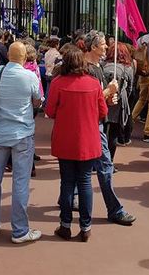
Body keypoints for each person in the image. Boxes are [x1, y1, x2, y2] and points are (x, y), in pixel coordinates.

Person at [45, 46, 107, 242]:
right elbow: (103, 112)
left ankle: (65, 225)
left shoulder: (57, 83)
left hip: (65, 138)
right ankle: (86, 227)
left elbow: (50, 110)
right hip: (88, 138)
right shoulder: (94, 83)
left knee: (67, 182)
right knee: (85, 181)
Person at [0, 42, 42, 243]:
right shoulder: (30, 76)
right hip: (22, 134)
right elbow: (38, 100)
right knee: (20, 182)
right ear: (25, 57)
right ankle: (20, 230)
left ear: (8, 55)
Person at [83, 31, 136, 226]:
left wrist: (108, 96)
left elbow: (99, 96)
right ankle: (114, 209)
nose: (106, 47)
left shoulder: (98, 67)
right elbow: (88, 98)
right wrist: (108, 92)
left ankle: (69, 197)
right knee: (104, 166)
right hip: (91, 125)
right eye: (103, 44)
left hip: (96, 122)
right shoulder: (86, 68)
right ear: (93, 47)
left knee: (86, 167)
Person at [103, 43, 134, 159]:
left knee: (102, 131)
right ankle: (110, 161)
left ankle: (99, 159)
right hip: (119, 102)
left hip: (104, 99)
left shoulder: (103, 65)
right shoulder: (128, 68)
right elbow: (130, 88)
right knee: (114, 133)